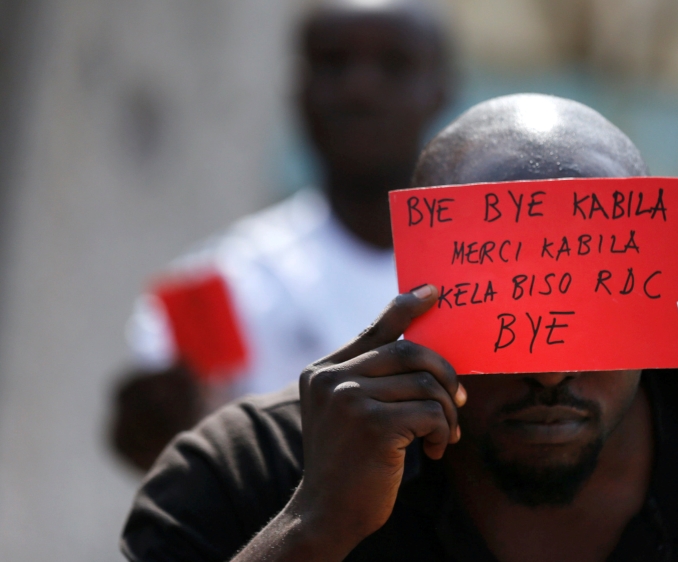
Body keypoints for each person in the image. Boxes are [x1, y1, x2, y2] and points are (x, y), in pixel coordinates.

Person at [120, 94, 678, 561]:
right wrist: (315, 527)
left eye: (588, 306)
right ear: (413, 303)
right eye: (501, 316)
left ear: (655, 295)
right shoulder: (240, 478)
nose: (549, 371)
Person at [111, 0, 453, 471]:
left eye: (395, 65)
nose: (361, 89)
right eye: (333, 62)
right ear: (296, 87)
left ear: (442, 89)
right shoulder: (223, 281)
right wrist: (160, 429)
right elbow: (168, 458)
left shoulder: (485, 277)